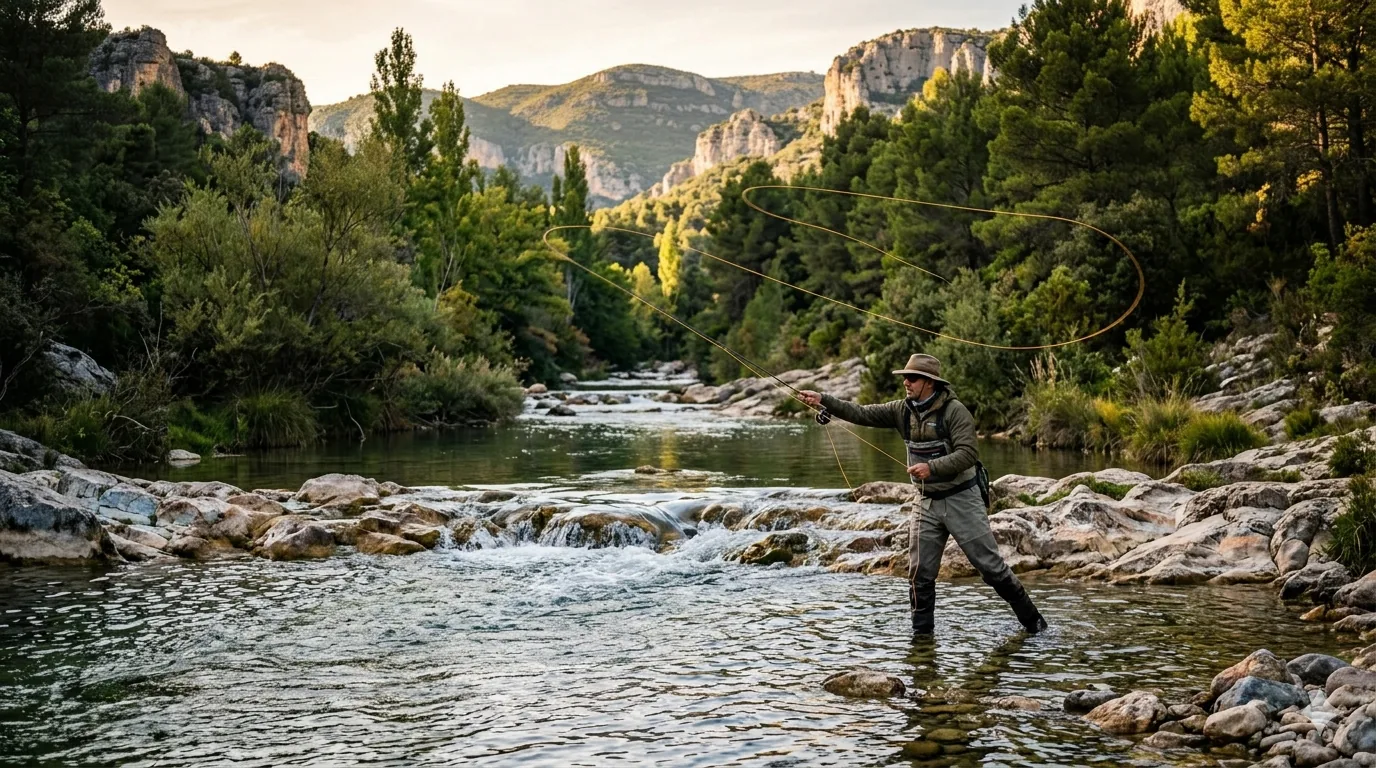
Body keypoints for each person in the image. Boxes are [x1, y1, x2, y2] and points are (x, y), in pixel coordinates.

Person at [799, 353, 1048, 636]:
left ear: (929, 382)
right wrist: (824, 400)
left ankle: (1035, 625)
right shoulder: (901, 410)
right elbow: (861, 413)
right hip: (926, 501)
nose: (906, 382)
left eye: (912, 378)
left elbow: (968, 454)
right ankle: (922, 642)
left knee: (991, 569)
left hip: (962, 498)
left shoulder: (956, 412)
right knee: (919, 574)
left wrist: (931, 468)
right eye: (904, 377)